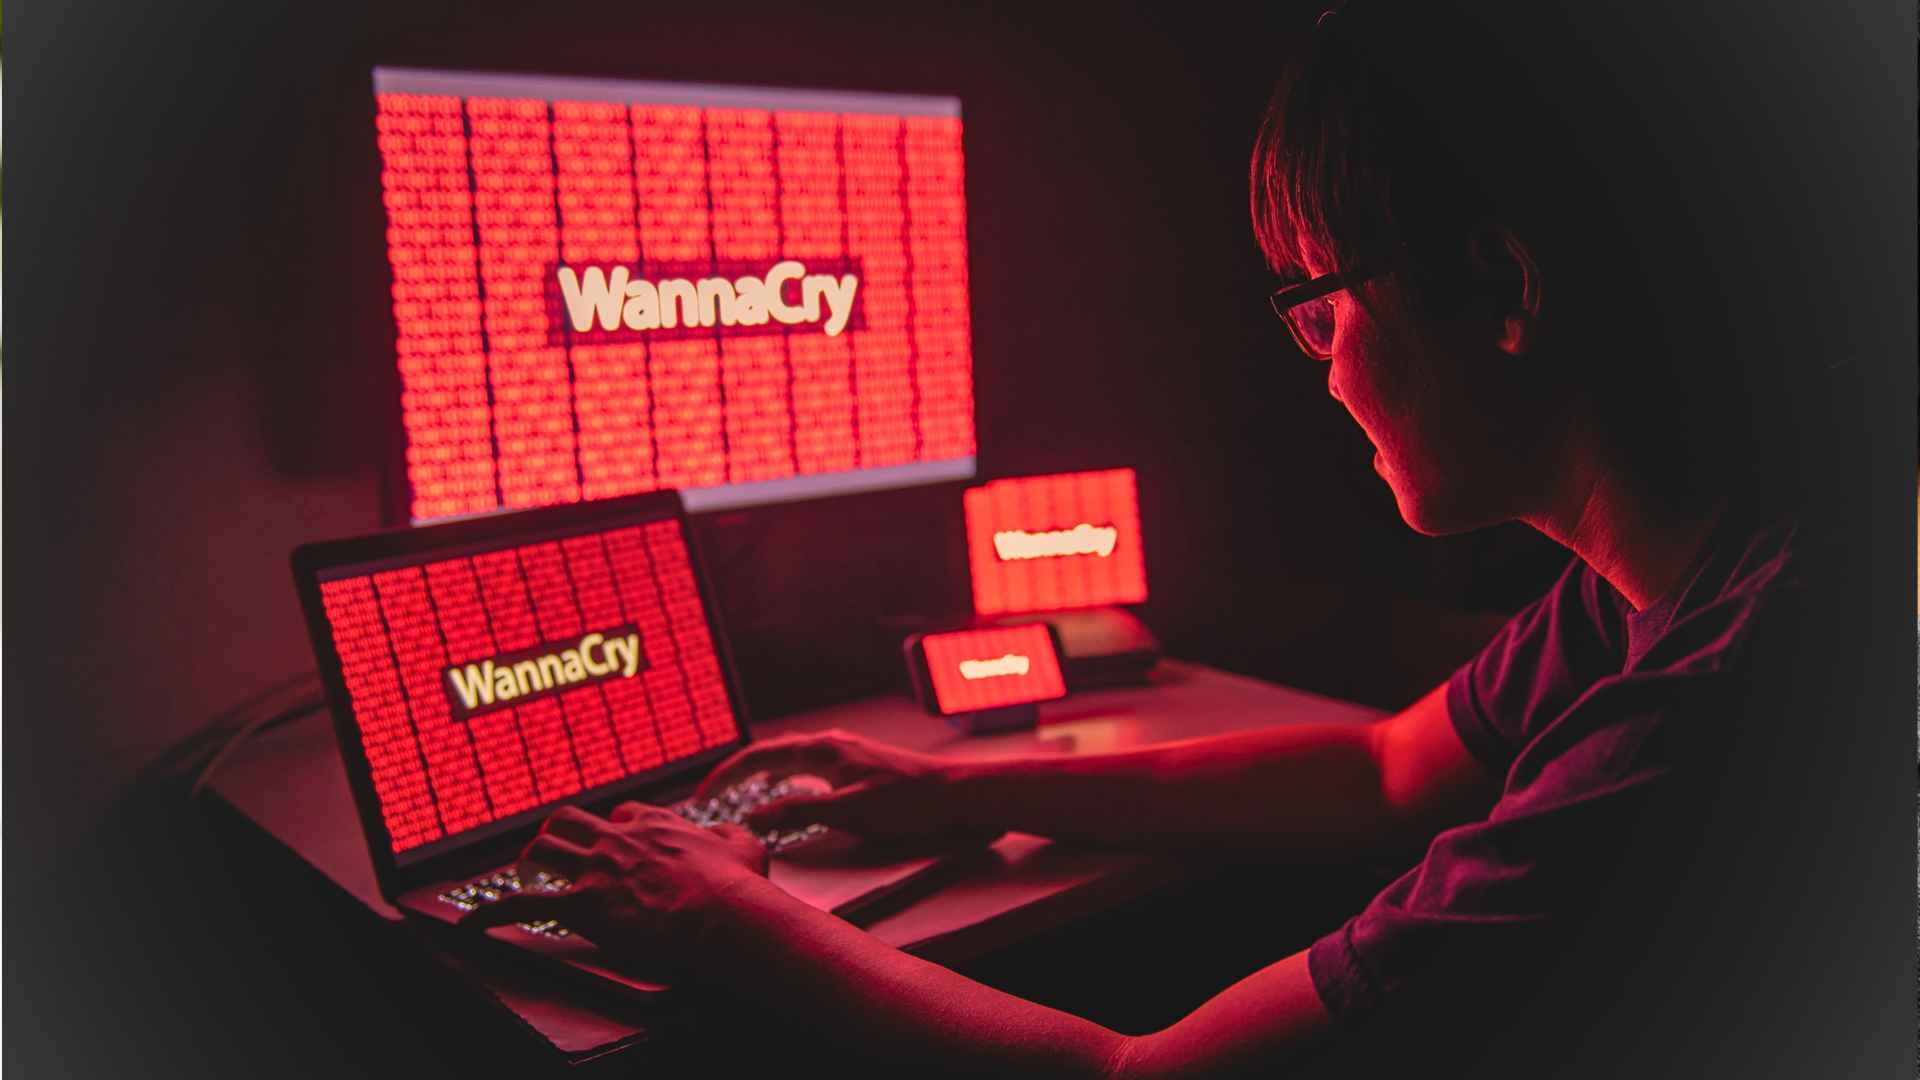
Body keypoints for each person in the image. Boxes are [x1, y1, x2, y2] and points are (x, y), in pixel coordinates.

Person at [467, 5, 1863, 1075]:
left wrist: (727, 918)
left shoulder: (1699, 730)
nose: (1322, 375)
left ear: (1499, 286)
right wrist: (949, 790)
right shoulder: (1676, 570)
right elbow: (1387, 769)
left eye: (1324, 311)